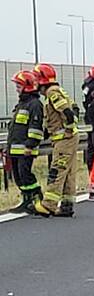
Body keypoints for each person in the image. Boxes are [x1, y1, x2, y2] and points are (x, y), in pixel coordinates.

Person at [36, 64, 79, 218]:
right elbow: (74, 108)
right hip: (69, 138)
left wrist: (67, 128)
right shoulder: (59, 91)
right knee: (68, 173)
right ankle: (67, 205)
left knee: (57, 170)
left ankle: (49, 205)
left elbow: (67, 112)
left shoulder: (52, 93)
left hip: (64, 139)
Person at [5, 71, 46, 215]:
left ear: (27, 86)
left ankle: (36, 198)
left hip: (25, 149)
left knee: (25, 175)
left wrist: (30, 145)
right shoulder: (22, 104)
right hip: (15, 149)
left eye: (18, 85)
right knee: (18, 177)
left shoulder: (34, 104)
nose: (16, 88)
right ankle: (26, 200)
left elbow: (35, 127)